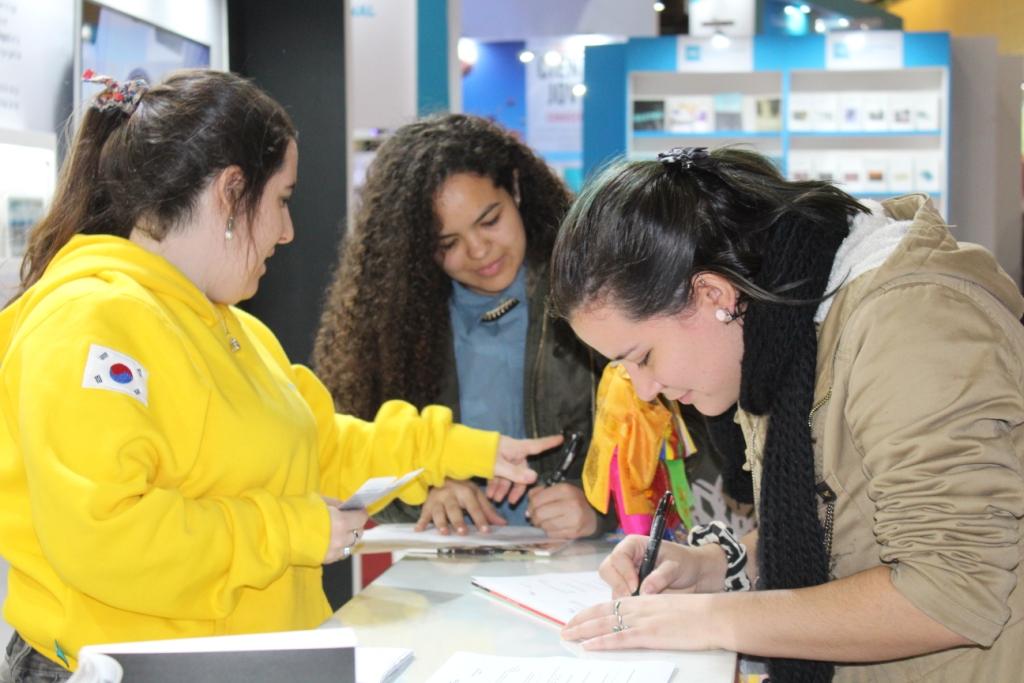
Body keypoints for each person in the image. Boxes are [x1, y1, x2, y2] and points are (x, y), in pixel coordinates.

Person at [0, 70, 558, 681]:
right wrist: (293, 529)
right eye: (282, 200)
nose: (288, 231)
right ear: (230, 192)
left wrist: (455, 448)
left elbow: (318, 448)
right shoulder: (90, 323)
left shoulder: (228, 326)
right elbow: (109, 536)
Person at [553, 147, 1024, 682]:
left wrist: (707, 619)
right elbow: (836, 530)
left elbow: (950, 592)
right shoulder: (782, 322)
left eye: (641, 358)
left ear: (712, 293)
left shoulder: (913, 324)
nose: (644, 388)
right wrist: (713, 568)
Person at [313, 114, 606, 539]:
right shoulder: (398, 329)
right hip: (452, 575)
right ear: (418, 251)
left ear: (517, 191)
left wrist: (598, 511)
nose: (479, 249)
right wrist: (423, 492)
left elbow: (664, 452)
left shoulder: (593, 299)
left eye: (489, 220)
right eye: (448, 243)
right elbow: (352, 468)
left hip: (584, 572)